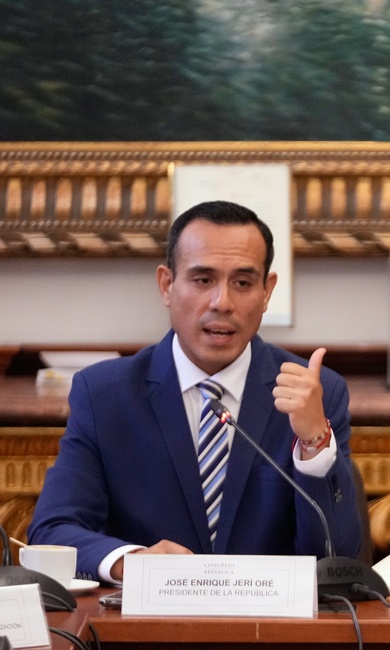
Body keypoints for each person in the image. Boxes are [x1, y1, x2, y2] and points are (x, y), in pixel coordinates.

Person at [29, 200, 363, 582]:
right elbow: (52, 532)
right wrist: (132, 562)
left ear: (267, 291)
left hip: (272, 634)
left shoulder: (315, 392)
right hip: (144, 634)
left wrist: (314, 444)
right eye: (203, 280)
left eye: (242, 283)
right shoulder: (105, 395)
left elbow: (338, 559)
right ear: (167, 285)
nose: (222, 303)